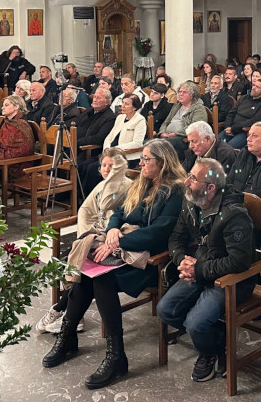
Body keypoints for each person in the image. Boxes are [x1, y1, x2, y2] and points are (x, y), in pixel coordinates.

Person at [41, 140, 184, 391]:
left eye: (146, 159)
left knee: (99, 277)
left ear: (162, 162)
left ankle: (114, 355)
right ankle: (70, 337)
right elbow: (117, 211)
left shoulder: (175, 190)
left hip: (151, 261)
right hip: (124, 249)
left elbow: (158, 233)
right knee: (88, 272)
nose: (141, 163)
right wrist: (113, 230)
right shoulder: (142, 183)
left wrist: (117, 243)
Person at [157, 157, 255, 383]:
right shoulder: (191, 202)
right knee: (166, 310)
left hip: (231, 280)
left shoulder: (234, 214)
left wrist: (198, 270)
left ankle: (207, 352)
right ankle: (217, 340)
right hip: (200, 269)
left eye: (193, 178)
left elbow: (239, 262)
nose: (186, 182)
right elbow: (176, 237)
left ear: (210, 188)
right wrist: (181, 260)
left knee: (195, 323)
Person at [37, 149, 133, 335]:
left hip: (113, 244)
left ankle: (61, 310)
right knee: (67, 259)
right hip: (95, 238)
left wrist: (102, 238)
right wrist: (84, 237)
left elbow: (121, 218)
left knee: (79, 265)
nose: (107, 169)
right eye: (104, 165)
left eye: (112, 166)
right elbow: (85, 211)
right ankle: (73, 315)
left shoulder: (127, 187)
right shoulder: (101, 186)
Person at [218, 75, 261, 150]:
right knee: (216, 143)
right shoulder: (244, 98)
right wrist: (227, 126)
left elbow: (255, 121)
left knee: (228, 149)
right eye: (253, 85)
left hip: (245, 131)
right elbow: (232, 113)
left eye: (257, 87)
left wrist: (234, 129)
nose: (253, 88)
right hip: (231, 128)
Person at [159, 81, 209, 155]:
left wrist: (175, 134)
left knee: (161, 145)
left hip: (183, 138)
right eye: (180, 92)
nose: (181, 94)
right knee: (150, 143)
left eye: (184, 92)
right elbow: (166, 122)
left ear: (192, 95)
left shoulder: (199, 108)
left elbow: (195, 128)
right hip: (167, 136)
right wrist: (162, 132)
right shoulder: (176, 106)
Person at [0, 95, 36, 181]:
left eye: (6, 105)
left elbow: (23, 151)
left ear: (16, 107)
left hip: (17, 166)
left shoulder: (22, 125)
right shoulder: (7, 122)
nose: (2, 108)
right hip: (4, 160)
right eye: (3, 105)